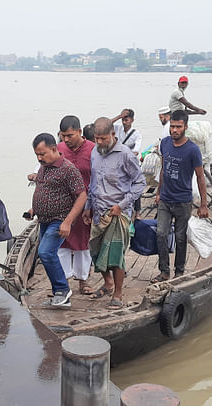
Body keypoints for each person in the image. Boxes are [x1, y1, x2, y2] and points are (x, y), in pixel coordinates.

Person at [82, 117, 146, 308]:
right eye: (96, 138)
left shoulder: (125, 154)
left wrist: (122, 204)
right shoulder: (95, 152)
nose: (99, 142)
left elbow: (140, 182)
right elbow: (93, 182)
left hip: (118, 213)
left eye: (103, 139)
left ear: (112, 135)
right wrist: (87, 207)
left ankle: (117, 294)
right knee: (95, 250)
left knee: (116, 255)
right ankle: (108, 282)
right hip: (98, 210)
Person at [28, 133, 87, 308]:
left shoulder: (68, 169)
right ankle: (61, 298)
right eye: (37, 155)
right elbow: (43, 190)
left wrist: (67, 222)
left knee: (46, 252)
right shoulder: (43, 167)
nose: (39, 158)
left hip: (59, 219)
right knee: (46, 253)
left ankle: (62, 289)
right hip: (44, 220)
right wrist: (33, 210)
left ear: (54, 149)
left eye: (42, 154)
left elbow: (82, 196)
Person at [151, 110, 208, 283]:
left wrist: (203, 205)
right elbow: (163, 169)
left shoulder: (192, 150)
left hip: (183, 201)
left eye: (178, 127)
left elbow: (200, 177)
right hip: (166, 199)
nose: (174, 130)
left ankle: (179, 271)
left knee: (181, 237)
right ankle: (164, 271)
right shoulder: (165, 143)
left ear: (185, 127)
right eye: (172, 126)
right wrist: (159, 192)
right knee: (160, 233)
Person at [56, 115, 95, 295]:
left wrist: (92, 204)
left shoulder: (93, 150)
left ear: (79, 132)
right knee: (62, 242)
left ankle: (83, 280)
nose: (66, 140)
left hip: (86, 203)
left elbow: (97, 177)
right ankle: (62, 282)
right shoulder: (59, 149)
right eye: (63, 136)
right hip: (63, 202)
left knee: (83, 242)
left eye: (70, 135)